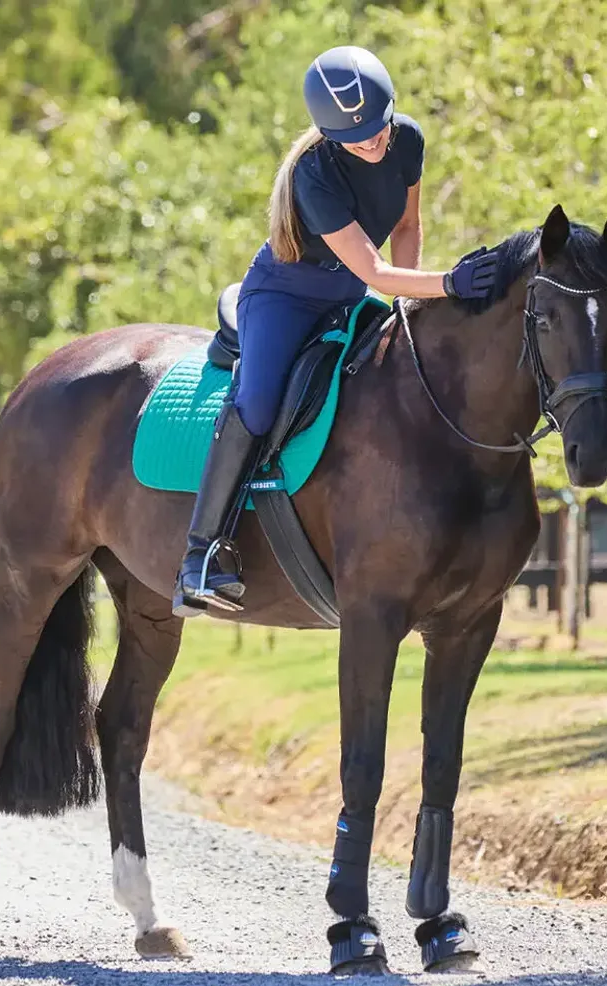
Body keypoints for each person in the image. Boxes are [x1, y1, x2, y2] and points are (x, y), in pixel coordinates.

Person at [173, 45, 498, 617]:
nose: (371, 142)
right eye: (355, 137)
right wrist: (447, 283)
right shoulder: (314, 175)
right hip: (286, 297)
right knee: (258, 401)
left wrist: (413, 292)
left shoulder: (410, 141)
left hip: (348, 294)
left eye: (378, 128)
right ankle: (200, 555)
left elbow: (406, 223)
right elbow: (372, 268)